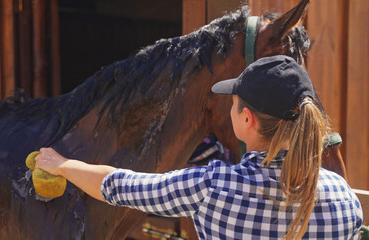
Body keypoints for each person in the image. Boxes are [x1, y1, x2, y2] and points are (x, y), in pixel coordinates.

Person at [35, 55, 363, 239]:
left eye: (233, 105)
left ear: (246, 119)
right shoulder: (344, 199)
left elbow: (120, 187)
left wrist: (61, 164)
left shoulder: (213, 187)